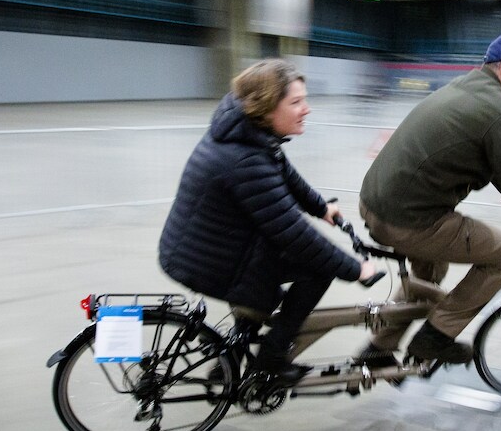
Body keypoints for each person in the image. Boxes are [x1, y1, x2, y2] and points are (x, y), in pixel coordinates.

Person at [357, 31, 501, 366]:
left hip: (376, 204)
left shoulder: (464, 87)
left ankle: (378, 349)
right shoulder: (499, 115)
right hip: (408, 220)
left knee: (431, 269)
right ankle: (435, 337)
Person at [159, 59, 376, 383]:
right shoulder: (245, 159)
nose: (306, 109)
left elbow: (284, 172)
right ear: (267, 106)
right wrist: (355, 268)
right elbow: (293, 233)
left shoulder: (250, 135)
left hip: (209, 246)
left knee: (267, 275)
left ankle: (229, 360)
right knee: (317, 269)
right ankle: (270, 360)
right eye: (296, 102)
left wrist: (320, 207)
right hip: (206, 261)